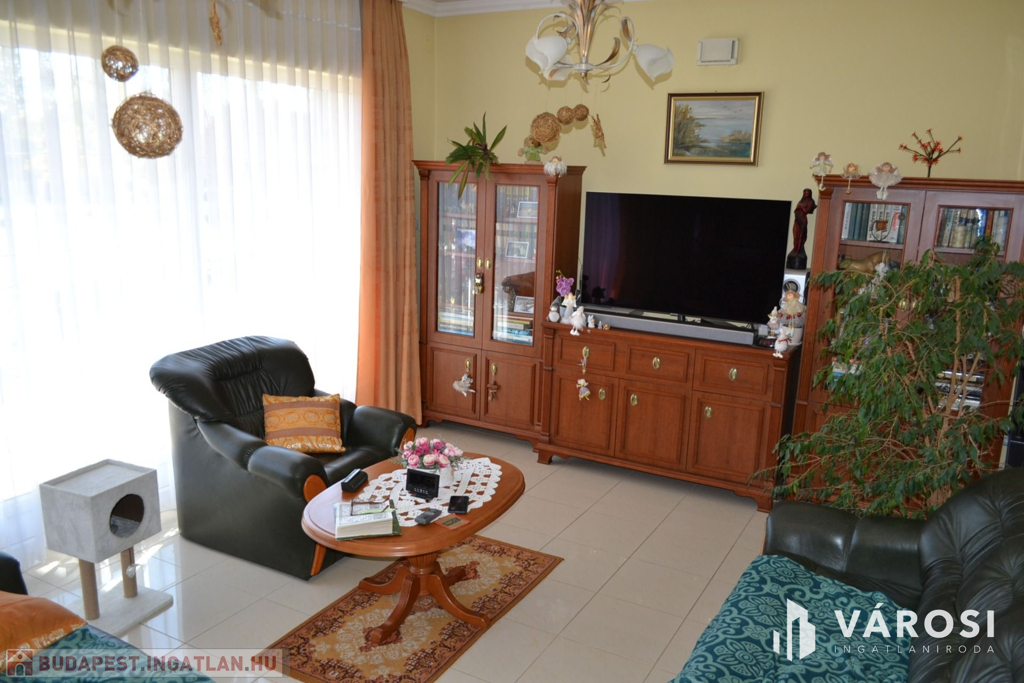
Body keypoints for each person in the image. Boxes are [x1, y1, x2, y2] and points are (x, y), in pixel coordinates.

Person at [786, 188, 817, 270]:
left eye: (807, 193)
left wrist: (800, 208)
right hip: (797, 219)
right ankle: (795, 249)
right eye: (805, 193)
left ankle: (798, 251)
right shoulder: (801, 201)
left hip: (802, 219)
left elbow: (807, 210)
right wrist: (799, 207)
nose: (806, 194)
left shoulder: (810, 201)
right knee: (795, 235)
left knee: (801, 235)